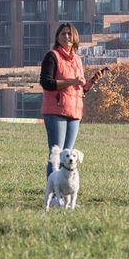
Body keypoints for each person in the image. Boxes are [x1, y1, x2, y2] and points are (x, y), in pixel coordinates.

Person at [39, 23, 108, 178]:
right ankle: (53, 193)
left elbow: (79, 89)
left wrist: (91, 82)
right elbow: (46, 83)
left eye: (69, 34)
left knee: (68, 157)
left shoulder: (77, 59)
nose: (67, 37)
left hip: (74, 112)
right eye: (63, 34)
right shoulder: (52, 56)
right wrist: (71, 81)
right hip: (56, 111)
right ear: (57, 37)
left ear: (75, 37)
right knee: (56, 156)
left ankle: (64, 195)